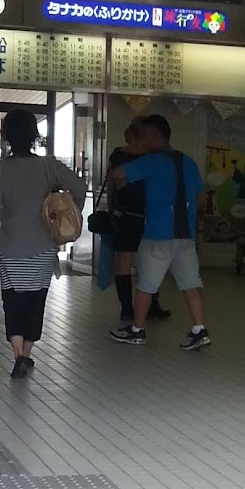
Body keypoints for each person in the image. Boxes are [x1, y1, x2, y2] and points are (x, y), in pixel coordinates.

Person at [0, 108, 86, 380]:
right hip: (43, 249)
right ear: (35, 135)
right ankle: (27, 353)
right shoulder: (49, 166)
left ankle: (18, 355)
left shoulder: (1, 169)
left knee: (12, 302)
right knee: (36, 302)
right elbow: (80, 188)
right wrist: (65, 215)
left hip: (10, 249)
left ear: (6, 136)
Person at [107, 114, 210, 349]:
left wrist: (132, 151)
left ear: (154, 135)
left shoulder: (151, 161)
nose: (142, 141)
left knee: (146, 285)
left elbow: (117, 174)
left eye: (144, 137)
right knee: (190, 284)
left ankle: (137, 329)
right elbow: (201, 197)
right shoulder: (188, 162)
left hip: (157, 235)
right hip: (185, 236)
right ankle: (199, 329)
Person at [103, 119, 167, 328]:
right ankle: (151, 305)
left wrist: (112, 210)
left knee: (124, 260)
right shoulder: (152, 157)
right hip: (148, 214)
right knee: (149, 260)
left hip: (124, 213)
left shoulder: (119, 155)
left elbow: (112, 186)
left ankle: (127, 308)